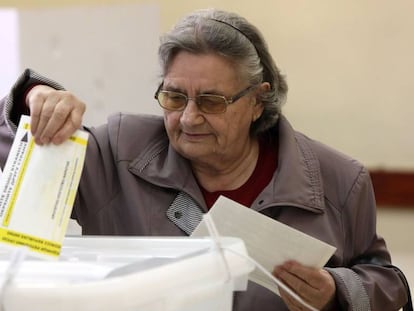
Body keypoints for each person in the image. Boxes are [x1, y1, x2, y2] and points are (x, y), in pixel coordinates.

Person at [0, 8, 410, 311]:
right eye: (175, 97)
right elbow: (12, 163)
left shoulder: (337, 181)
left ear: (257, 101)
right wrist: (32, 101)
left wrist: (336, 292)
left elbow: (389, 286)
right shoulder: (120, 154)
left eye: (212, 101)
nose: (189, 118)